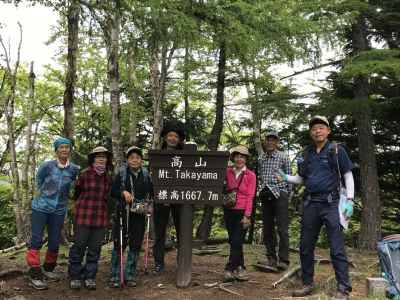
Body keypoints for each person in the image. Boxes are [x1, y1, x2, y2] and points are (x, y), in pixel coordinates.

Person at [278, 116, 355, 300]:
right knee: (305, 246)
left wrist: (350, 200)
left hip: (332, 204)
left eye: (321, 128)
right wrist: (287, 177)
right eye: (314, 129)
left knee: (336, 248)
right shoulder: (308, 153)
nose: (317, 131)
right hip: (311, 204)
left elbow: (348, 175)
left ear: (328, 131)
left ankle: (343, 288)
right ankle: (307, 283)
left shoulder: (336, 150)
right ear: (311, 133)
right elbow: (302, 178)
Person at [26, 137, 80, 290]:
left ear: (70, 150)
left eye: (67, 147)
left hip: (59, 209)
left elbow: (74, 186)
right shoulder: (47, 166)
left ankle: (48, 269)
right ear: (56, 150)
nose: (64, 150)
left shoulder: (73, 169)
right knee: (36, 239)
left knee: (55, 240)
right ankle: (34, 273)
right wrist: (44, 196)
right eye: (61, 147)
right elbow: (39, 180)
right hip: (41, 207)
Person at [68, 146, 113, 290]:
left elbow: (109, 198)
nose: (101, 158)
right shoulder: (85, 174)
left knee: (94, 248)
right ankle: (75, 276)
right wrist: (75, 208)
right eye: (98, 156)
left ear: (107, 159)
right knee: (79, 246)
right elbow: (77, 193)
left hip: (100, 216)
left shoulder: (108, 176)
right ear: (93, 158)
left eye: (103, 156)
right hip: (84, 215)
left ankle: (90, 277)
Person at [109, 146, 153, 288]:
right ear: (127, 160)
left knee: (135, 244)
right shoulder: (122, 174)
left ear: (141, 160)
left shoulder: (146, 175)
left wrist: (149, 205)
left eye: (137, 158)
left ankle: (130, 274)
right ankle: (115, 275)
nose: (135, 160)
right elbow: (113, 191)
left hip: (139, 214)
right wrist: (123, 193)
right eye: (131, 158)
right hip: (123, 212)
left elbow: (151, 193)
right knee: (119, 243)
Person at [152, 120, 186, 274]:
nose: (172, 138)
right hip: (162, 197)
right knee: (159, 232)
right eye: (170, 135)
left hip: (181, 198)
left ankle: (182, 261)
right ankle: (159, 262)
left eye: (175, 136)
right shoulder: (158, 154)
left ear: (179, 138)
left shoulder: (186, 154)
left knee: (182, 231)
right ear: (165, 137)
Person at [258, 132, 292, 271]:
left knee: (282, 228)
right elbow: (261, 176)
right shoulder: (261, 158)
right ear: (265, 142)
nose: (271, 142)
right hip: (265, 195)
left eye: (273, 140)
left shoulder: (283, 157)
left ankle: (283, 260)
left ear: (277, 142)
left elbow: (289, 176)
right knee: (267, 229)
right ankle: (271, 259)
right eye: (268, 140)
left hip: (280, 194)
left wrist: (287, 193)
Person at [223, 145, 256, 282]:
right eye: (237, 156)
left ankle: (229, 268)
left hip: (243, 211)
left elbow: (250, 196)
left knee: (237, 240)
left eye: (242, 156)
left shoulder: (251, 175)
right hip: (229, 210)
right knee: (234, 242)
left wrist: (247, 215)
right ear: (233, 158)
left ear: (246, 159)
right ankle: (241, 267)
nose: (239, 159)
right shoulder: (227, 172)